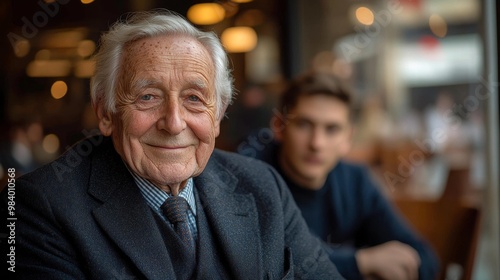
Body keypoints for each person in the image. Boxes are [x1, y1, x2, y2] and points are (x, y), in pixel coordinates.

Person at [0, 11, 344, 279]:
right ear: (105, 113)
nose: (175, 122)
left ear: (218, 114)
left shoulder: (263, 186)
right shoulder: (33, 206)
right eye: (148, 97)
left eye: (194, 99)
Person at [239, 71, 439, 280]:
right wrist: (362, 263)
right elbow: (268, 264)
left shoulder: (355, 181)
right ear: (279, 127)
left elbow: (423, 258)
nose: (317, 143)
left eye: (332, 129)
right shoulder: (254, 178)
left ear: (348, 138)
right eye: (304, 125)